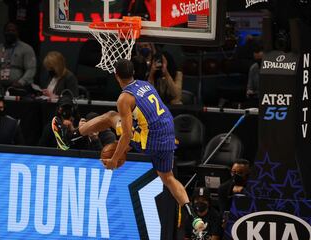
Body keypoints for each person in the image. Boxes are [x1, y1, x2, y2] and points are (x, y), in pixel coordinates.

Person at [52, 59, 206, 233]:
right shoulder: (146, 85)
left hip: (151, 140)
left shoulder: (124, 98)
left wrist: (114, 160)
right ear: (133, 73)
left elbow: (127, 135)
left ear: (116, 76)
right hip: (169, 136)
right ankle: (193, 216)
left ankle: (70, 137)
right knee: (168, 178)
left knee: (111, 116)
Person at [39, 93, 104, 151]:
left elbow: (85, 148)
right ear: (59, 109)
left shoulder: (79, 124)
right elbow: (41, 147)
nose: (66, 110)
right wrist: (63, 129)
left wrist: (75, 130)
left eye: (69, 107)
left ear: (73, 109)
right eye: (64, 107)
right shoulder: (51, 126)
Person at [0, 22, 36, 93]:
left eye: (13, 31)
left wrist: (21, 82)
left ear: (17, 32)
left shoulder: (26, 49)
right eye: (8, 31)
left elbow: (31, 69)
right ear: (4, 32)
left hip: (19, 87)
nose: (10, 32)